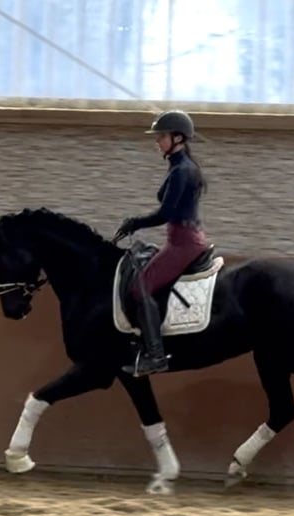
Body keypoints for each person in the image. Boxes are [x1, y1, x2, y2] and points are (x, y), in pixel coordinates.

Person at [114, 110, 210, 377]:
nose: (157, 141)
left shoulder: (183, 170)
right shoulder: (179, 166)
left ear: (178, 138)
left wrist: (135, 222)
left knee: (141, 285)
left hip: (184, 243)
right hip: (181, 239)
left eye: (161, 136)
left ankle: (156, 355)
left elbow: (166, 214)